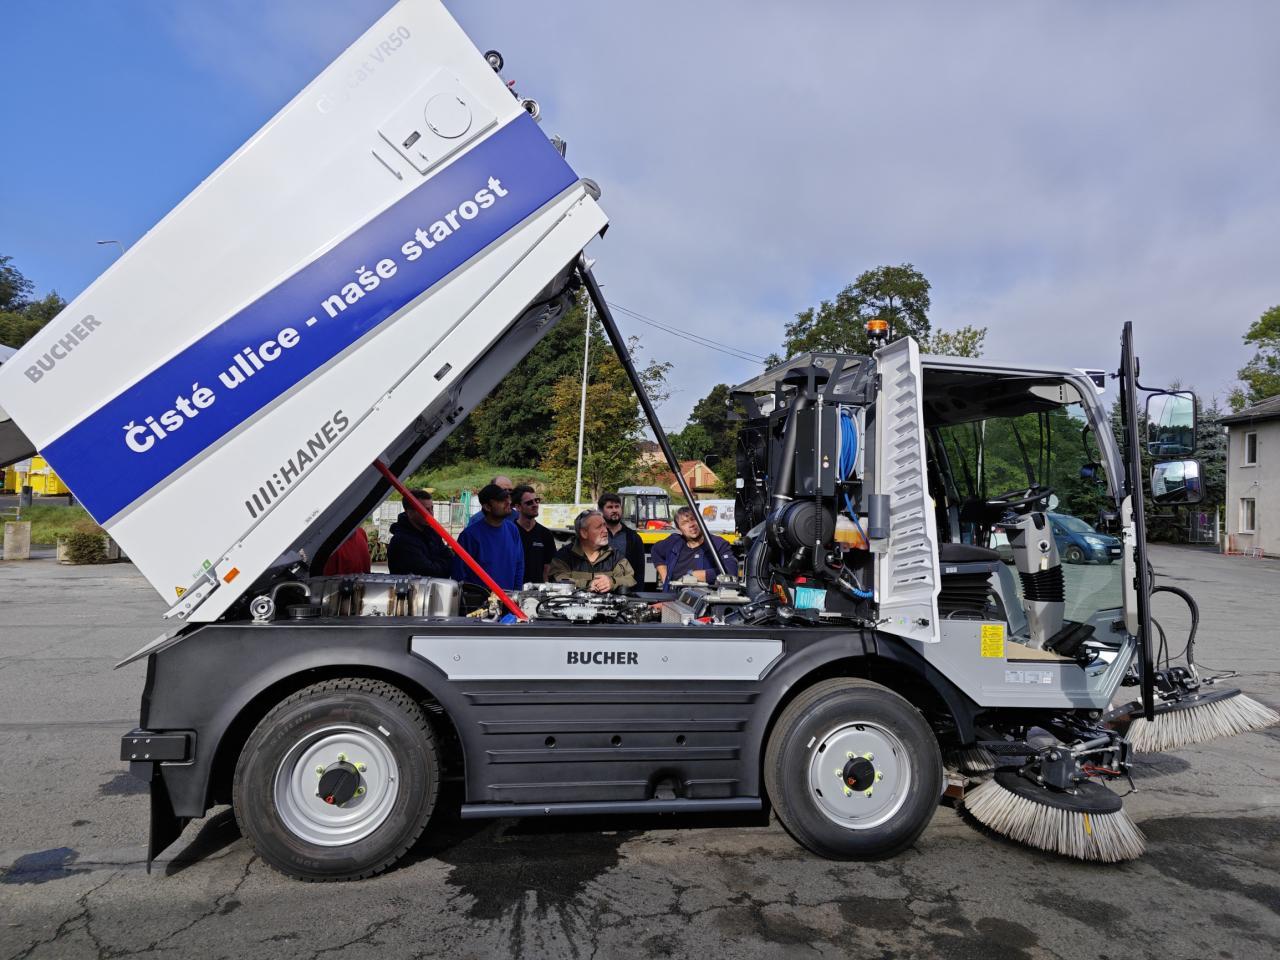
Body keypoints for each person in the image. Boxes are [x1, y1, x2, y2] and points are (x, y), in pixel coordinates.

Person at [454, 483, 524, 591]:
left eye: (507, 498)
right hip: (481, 600)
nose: (508, 502)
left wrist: (516, 593)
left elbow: (519, 564)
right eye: (501, 500)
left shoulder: (512, 530)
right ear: (487, 507)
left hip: (509, 598)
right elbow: (460, 575)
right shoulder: (469, 536)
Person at [650, 506, 738, 591]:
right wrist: (665, 578)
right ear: (679, 529)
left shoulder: (717, 544)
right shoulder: (674, 542)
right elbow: (655, 550)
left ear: (700, 521)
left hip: (701, 598)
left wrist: (694, 575)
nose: (691, 525)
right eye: (684, 523)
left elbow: (731, 571)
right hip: (672, 598)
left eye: (693, 519)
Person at [548, 509, 636, 593]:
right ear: (584, 533)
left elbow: (630, 579)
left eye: (604, 525)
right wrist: (588, 585)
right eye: (599, 527)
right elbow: (558, 581)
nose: (605, 531)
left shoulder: (615, 556)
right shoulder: (564, 556)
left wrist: (612, 582)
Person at [386, 490, 452, 578]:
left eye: (432, 509)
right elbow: (428, 572)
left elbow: (450, 558)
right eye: (425, 510)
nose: (431, 514)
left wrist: (440, 564)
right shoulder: (402, 541)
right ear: (410, 512)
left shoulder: (432, 534)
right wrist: (444, 565)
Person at [598, 492, 646, 588]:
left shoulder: (633, 537)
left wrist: (638, 592)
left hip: (626, 590)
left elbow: (639, 570)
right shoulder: (595, 535)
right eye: (610, 507)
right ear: (601, 510)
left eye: (617, 506)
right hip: (600, 588)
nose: (614, 510)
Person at [513, 484, 555, 582]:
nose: (535, 505)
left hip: (537, 589)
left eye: (537, 500)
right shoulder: (510, 532)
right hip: (512, 588)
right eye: (529, 503)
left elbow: (548, 568)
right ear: (518, 507)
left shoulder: (545, 534)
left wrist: (545, 587)